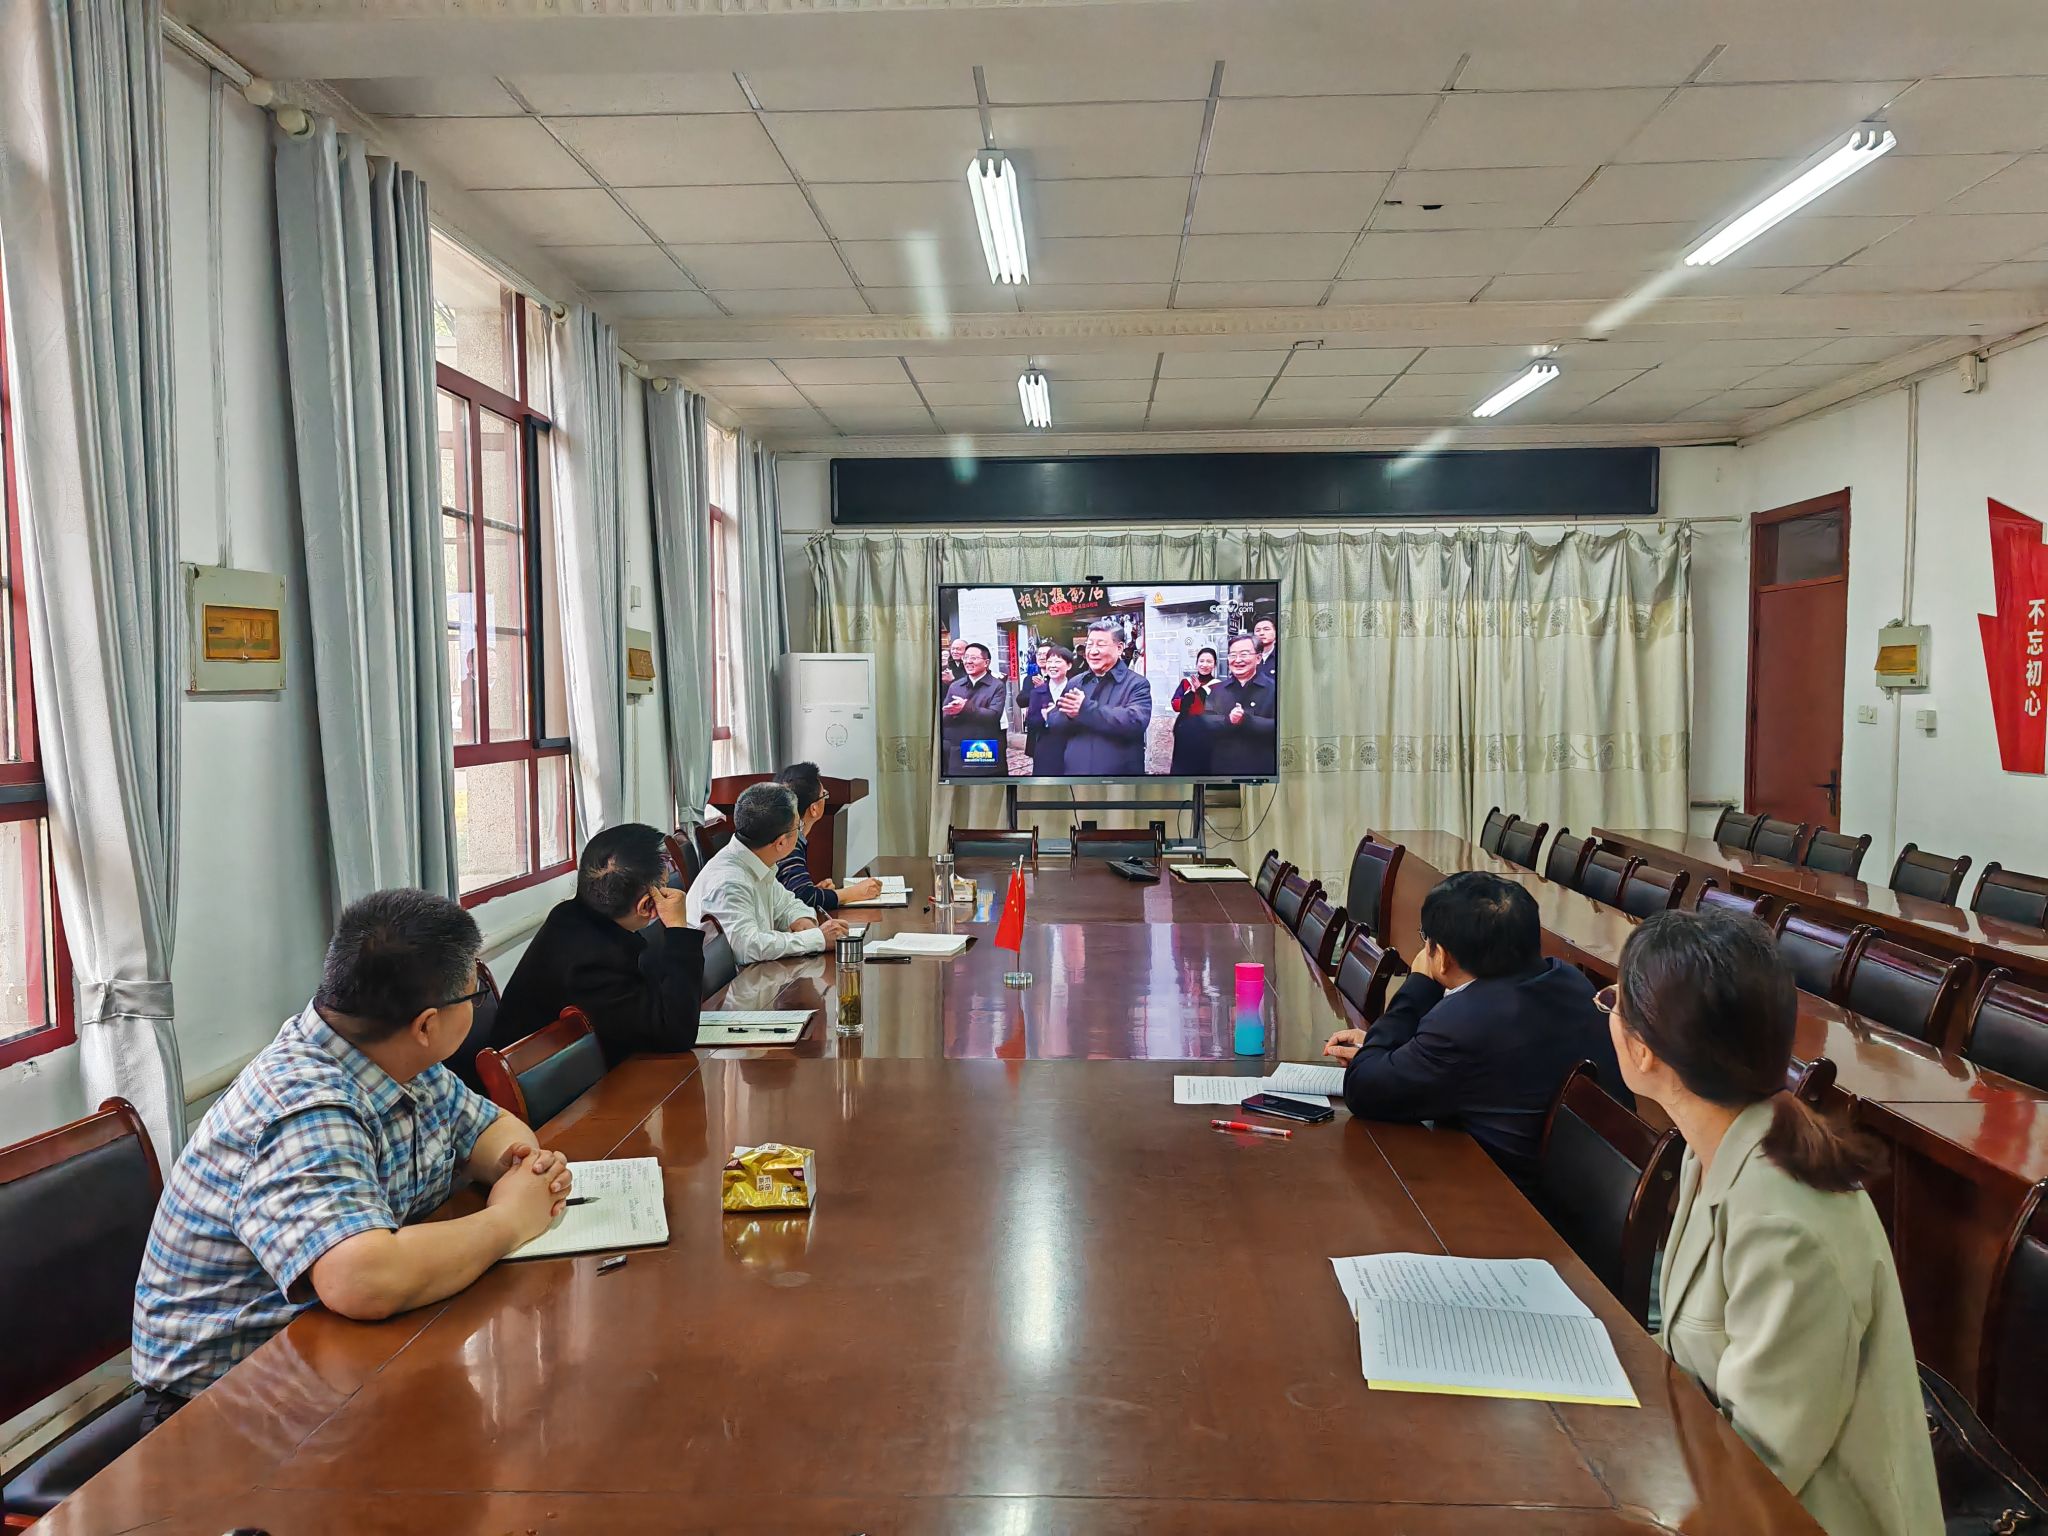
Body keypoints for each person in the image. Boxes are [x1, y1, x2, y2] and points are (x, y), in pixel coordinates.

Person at [131, 890, 573, 1425]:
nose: (478, 1003)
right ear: (426, 1025)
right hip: (222, 1407)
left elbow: (493, 1129)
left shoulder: (395, 1056)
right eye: (473, 994)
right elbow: (362, 1280)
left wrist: (520, 1166)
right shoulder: (304, 1106)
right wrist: (510, 1219)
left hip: (336, 1355)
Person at [1604, 910, 1939, 1536]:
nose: (1609, 1019)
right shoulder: (1714, 1148)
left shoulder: (1783, 1224)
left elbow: (1763, 1470)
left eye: (1614, 1005)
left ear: (1644, 1051)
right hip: (1706, 1476)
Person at [1322, 871, 1627, 1195]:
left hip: (1507, 1203)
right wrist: (1389, 1049)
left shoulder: (1463, 1025)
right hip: (1584, 1194)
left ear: (1442, 957)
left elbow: (1363, 1089)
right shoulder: (1570, 979)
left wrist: (1420, 982)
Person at [489, 823, 706, 1068]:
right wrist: (678, 929)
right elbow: (676, 1033)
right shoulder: (592, 965)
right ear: (646, 905)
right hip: (555, 1087)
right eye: (665, 887)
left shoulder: (570, 915)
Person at [688, 783, 851, 964]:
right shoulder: (729, 882)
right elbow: (747, 948)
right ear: (780, 843)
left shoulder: (754, 859)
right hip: (737, 980)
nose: (801, 830)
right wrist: (817, 938)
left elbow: (786, 903)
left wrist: (801, 918)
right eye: (798, 826)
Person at [1041, 616, 1152, 776]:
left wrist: (1085, 709)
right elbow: (1056, 722)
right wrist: (1065, 716)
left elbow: (1135, 722)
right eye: (1089, 644)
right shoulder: (1076, 682)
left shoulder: (1136, 683)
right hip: (1076, 774)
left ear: (1119, 648)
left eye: (1100, 645)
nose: (1093, 651)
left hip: (1119, 778)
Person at [773, 761, 881, 910]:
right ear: (814, 809)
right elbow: (804, 897)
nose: (825, 798)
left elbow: (793, 894)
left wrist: (817, 892)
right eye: (824, 795)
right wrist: (854, 893)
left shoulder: (781, 834)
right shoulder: (788, 842)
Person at [1206, 634, 1278, 777]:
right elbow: (1205, 724)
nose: (1238, 660)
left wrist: (1246, 720)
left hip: (1261, 773)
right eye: (1233, 655)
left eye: (1244, 654)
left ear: (1258, 658)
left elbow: (1282, 728)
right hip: (1222, 772)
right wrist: (1229, 720)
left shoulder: (1274, 689)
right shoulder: (1217, 690)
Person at [941, 641, 1008, 778]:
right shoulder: (955, 686)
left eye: (974, 658)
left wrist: (965, 708)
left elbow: (993, 716)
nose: (968, 661)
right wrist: (951, 712)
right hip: (958, 745)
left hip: (984, 746)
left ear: (986, 662)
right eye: (966, 657)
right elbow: (944, 717)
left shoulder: (997, 686)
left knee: (986, 783)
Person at [1024, 642, 1075, 775]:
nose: (1052, 666)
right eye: (1049, 662)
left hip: (1071, 747)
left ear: (1069, 665)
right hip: (1046, 748)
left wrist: (1056, 716)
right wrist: (1045, 719)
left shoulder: (1076, 690)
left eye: (1057, 662)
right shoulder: (1037, 692)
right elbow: (1031, 722)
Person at [1169, 647, 1219, 777]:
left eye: (1209, 661)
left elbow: (1215, 708)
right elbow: (1175, 704)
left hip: (1206, 733)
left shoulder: (1218, 686)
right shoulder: (1186, 683)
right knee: (1182, 767)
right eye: (1201, 661)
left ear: (1214, 665)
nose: (1204, 665)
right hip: (1184, 731)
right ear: (1196, 664)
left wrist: (1200, 690)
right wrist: (1189, 694)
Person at [1252, 616, 1280, 686]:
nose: (1261, 633)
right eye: (1258, 630)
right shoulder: (1250, 657)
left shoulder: (1283, 657)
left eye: (1266, 629)